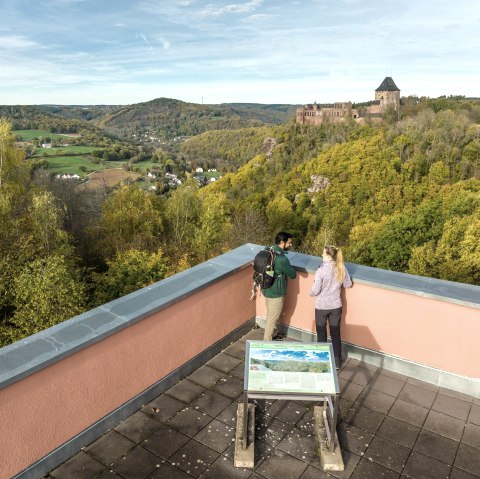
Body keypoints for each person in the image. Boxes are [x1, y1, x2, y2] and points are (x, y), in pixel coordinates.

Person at [310, 245, 352, 369]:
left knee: (321, 333)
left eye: (323, 253)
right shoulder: (341, 267)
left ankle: (322, 361)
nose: (322, 255)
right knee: (335, 333)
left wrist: (310, 292)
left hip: (321, 307)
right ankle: (337, 362)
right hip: (336, 306)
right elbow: (348, 284)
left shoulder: (321, 270)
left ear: (328, 255)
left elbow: (316, 290)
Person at [262, 231, 297, 341]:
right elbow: (293, 274)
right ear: (282, 242)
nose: (291, 245)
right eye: (289, 243)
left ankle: (270, 337)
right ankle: (266, 344)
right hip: (276, 293)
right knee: (272, 319)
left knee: (270, 316)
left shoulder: (268, 250)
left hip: (266, 288)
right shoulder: (282, 259)